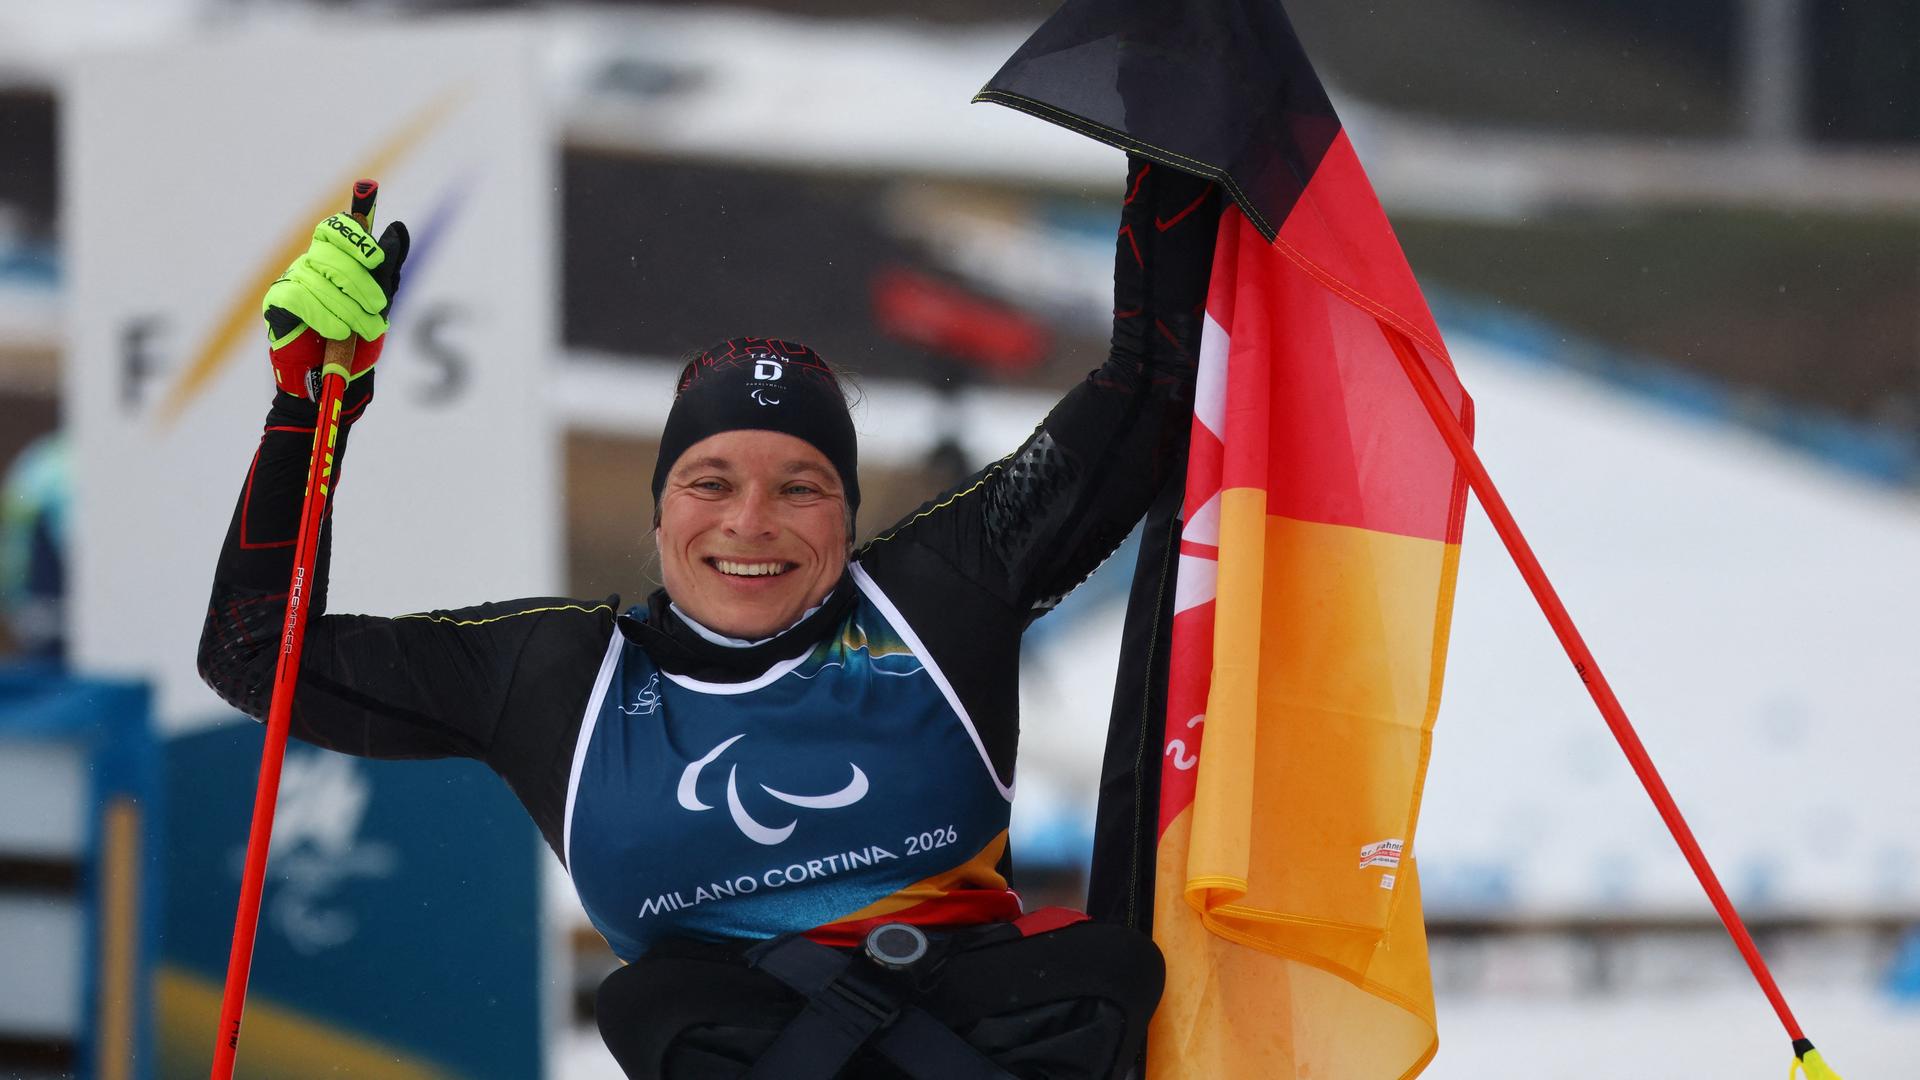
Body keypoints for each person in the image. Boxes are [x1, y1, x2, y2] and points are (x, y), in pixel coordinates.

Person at [198, 156, 1220, 1079]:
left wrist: (1175, 124)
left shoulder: (934, 593)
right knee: (658, 1003)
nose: (751, 523)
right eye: (710, 480)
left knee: (1101, 962)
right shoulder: (557, 673)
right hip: (746, 1050)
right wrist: (309, 409)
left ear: (850, 516)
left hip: (986, 1041)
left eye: (802, 487)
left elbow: (1147, 385)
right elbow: (255, 656)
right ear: (661, 510)